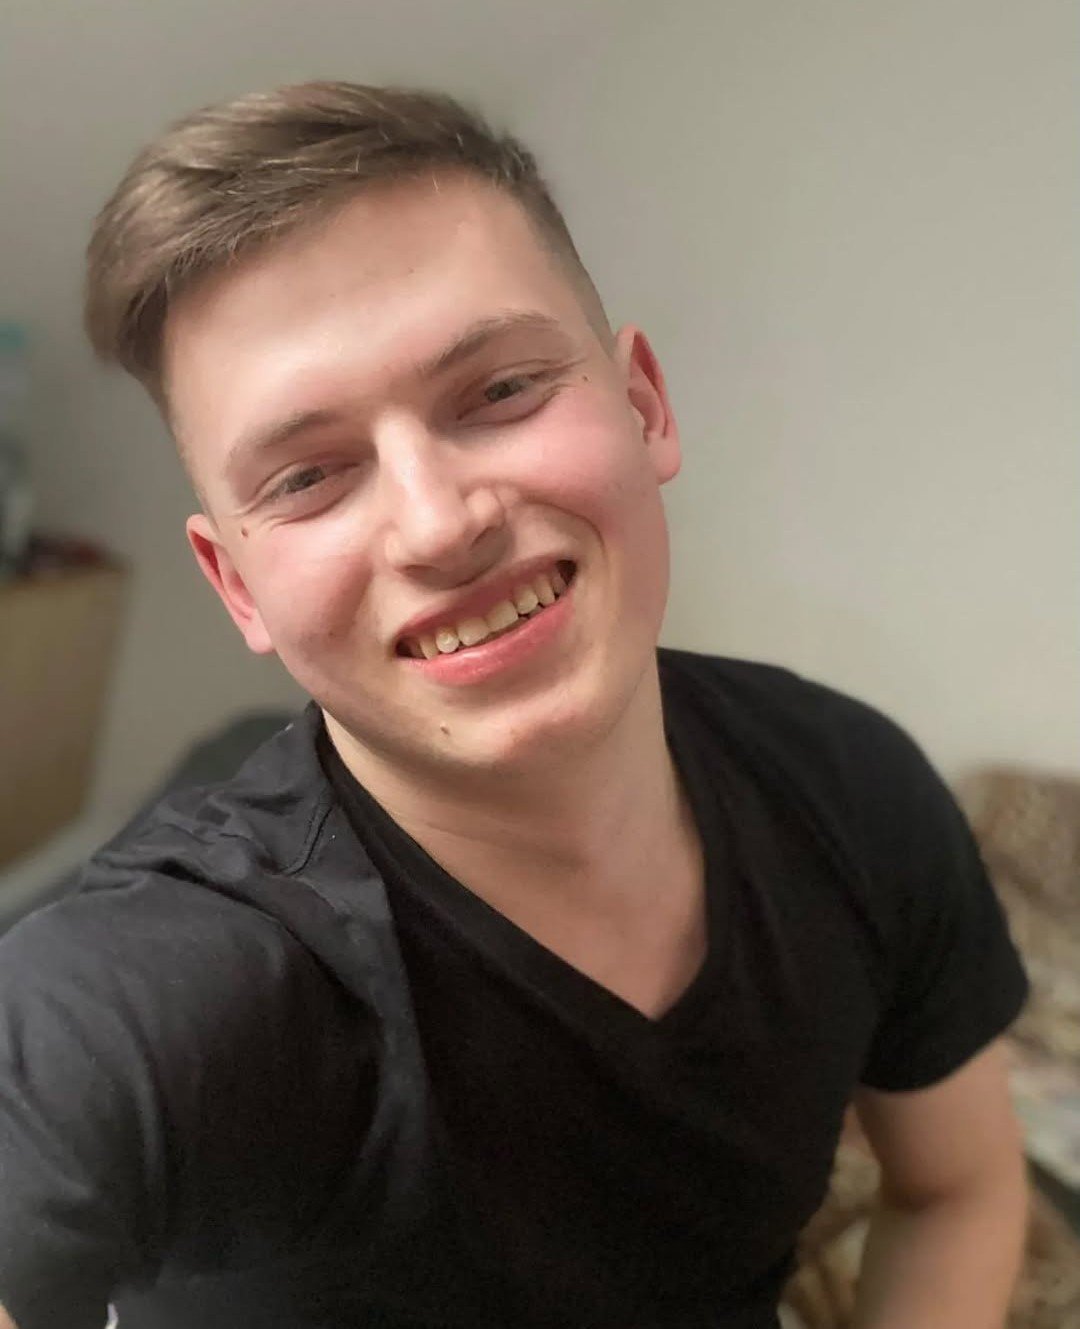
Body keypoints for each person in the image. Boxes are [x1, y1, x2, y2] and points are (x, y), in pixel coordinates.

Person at [0, 81, 1030, 1329]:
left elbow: (958, 1192)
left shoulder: (855, 793)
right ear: (237, 586)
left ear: (644, 405)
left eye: (498, 392)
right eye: (309, 476)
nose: (439, 525)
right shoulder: (151, 997)